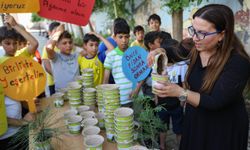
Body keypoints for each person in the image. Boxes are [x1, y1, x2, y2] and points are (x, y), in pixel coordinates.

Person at [149, 4, 250, 150]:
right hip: (196, 121)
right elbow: (175, 51)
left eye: (201, 33)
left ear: (222, 34)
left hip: (223, 128)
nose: (195, 38)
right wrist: (160, 50)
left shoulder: (238, 62)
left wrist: (180, 92)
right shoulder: (196, 49)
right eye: (193, 30)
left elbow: (215, 101)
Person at [0, 14, 38, 149]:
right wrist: (23, 122)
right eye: (7, 43)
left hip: (19, 130)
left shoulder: (18, 59)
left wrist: (15, 25)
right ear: (0, 43)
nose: (12, 47)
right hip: (5, 136)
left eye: (15, 43)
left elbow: (34, 43)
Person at [103, 20, 134, 107]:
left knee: (139, 120)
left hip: (137, 97)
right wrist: (104, 100)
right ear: (114, 38)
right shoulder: (111, 56)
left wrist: (137, 89)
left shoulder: (135, 53)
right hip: (121, 100)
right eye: (120, 37)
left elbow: (142, 73)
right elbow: (105, 80)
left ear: (129, 37)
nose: (124, 40)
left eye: (126, 37)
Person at [46, 25, 79, 91]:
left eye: (70, 42)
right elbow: (49, 48)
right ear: (57, 45)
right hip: (62, 93)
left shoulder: (75, 55)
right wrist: (58, 32)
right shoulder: (56, 57)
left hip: (76, 92)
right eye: (64, 43)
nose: (68, 45)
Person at [42, 22, 60, 96]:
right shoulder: (47, 46)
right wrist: (57, 76)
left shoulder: (66, 45)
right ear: (50, 33)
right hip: (53, 82)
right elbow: (46, 65)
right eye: (56, 31)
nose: (58, 34)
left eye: (60, 31)